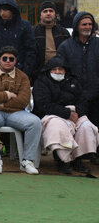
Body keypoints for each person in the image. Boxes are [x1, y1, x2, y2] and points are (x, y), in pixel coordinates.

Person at [0, 45, 41, 175]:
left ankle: (27, 160)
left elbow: (23, 100)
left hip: (15, 113)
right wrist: (8, 95)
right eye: (5, 58)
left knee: (35, 122)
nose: (8, 61)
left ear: (15, 61)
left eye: (11, 59)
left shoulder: (23, 77)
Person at [33, 55, 98, 174]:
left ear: (65, 70)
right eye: (54, 69)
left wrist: (75, 111)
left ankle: (77, 160)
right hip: (52, 115)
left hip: (75, 114)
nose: (57, 72)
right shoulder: (41, 82)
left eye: (60, 69)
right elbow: (43, 105)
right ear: (49, 70)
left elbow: (83, 101)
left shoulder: (73, 81)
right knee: (58, 127)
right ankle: (62, 161)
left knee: (86, 127)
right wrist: (67, 113)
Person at [57, 12, 99, 164]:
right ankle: (74, 157)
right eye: (84, 24)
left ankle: (94, 154)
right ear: (76, 26)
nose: (87, 27)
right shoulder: (65, 46)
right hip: (74, 95)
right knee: (75, 126)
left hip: (96, 94)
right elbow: (60, 70)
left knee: (94, 126)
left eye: (90, 24)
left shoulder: (97, 44)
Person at [0, 0, 36, 78]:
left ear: (12, 9)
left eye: (5, 10)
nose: (2, 13)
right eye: (0, 10)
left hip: (19, 72)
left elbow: (31, 51)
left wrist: (25, 72)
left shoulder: (24, 26)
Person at [32, 1, 70, 82]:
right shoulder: (33, 32)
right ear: (40, 14)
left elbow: (69, 54)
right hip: (39, 75)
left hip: (60, 75)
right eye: (45, 11)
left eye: (51, 11)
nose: (48, 13)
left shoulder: (63, 33)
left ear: (55, 14)